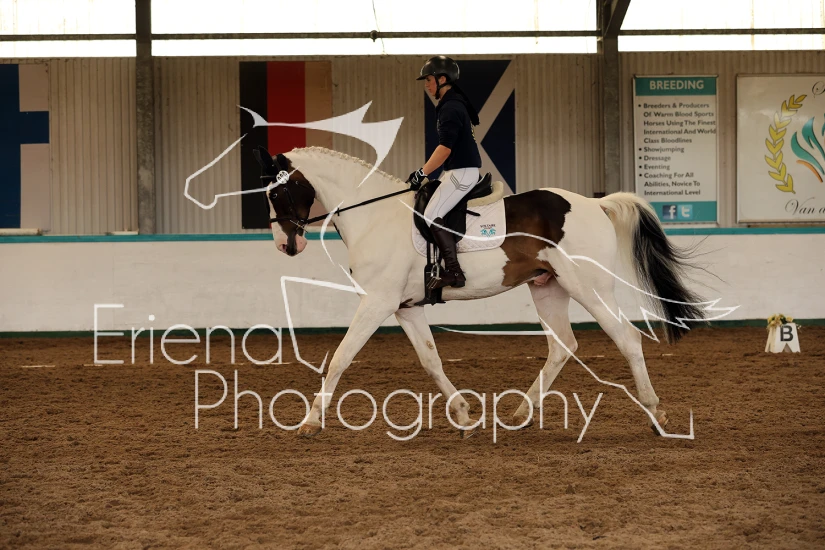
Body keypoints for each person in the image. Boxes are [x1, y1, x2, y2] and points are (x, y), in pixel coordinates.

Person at [406, 55, 482, 289]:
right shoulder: (452, 104)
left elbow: (444, 149)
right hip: (456, 171)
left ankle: (454, 272)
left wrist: (421, 173)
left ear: (442, 79)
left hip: (462, 172)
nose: (427, 86)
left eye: (429, 80)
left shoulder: (450, 107)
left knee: (431, 213)